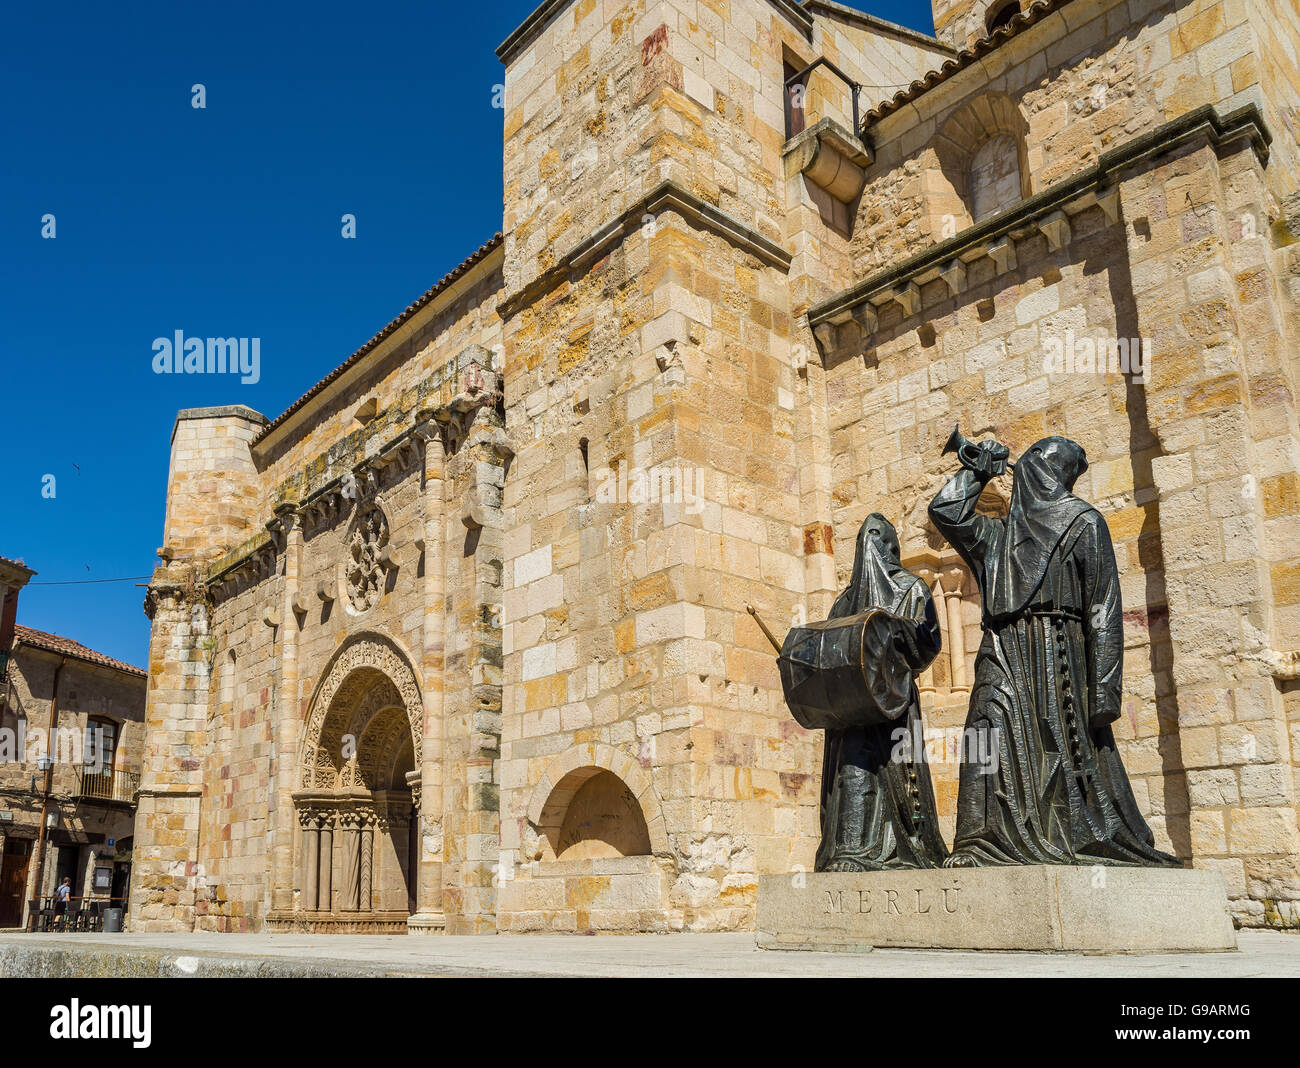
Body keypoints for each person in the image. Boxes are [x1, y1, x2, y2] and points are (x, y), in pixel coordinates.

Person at [928, 435, 1178, 867]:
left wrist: (1104, 690)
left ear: (1048, 471)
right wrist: (978, 469)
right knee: (987, 728)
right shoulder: (997, 535)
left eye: (1031, 464)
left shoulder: (1084, 522)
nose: (1022, 471)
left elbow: (1102, 605)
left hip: (1060, 653)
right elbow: (945, 511)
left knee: (1059, 747)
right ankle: (981, 842)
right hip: (1002, 646)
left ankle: (1067, 838)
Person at [815, 513, 948, 871]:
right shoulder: (844, 603)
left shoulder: (911, 588)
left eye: (879, 539)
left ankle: (902, 849)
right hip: (851, 712)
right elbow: (827, 650)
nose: (873, 547)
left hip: (894, 702)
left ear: (893, 547)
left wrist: (892, 632)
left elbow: (929, 641)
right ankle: (850, 851)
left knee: (898, 776)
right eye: (867, 539)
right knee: (853, 770)